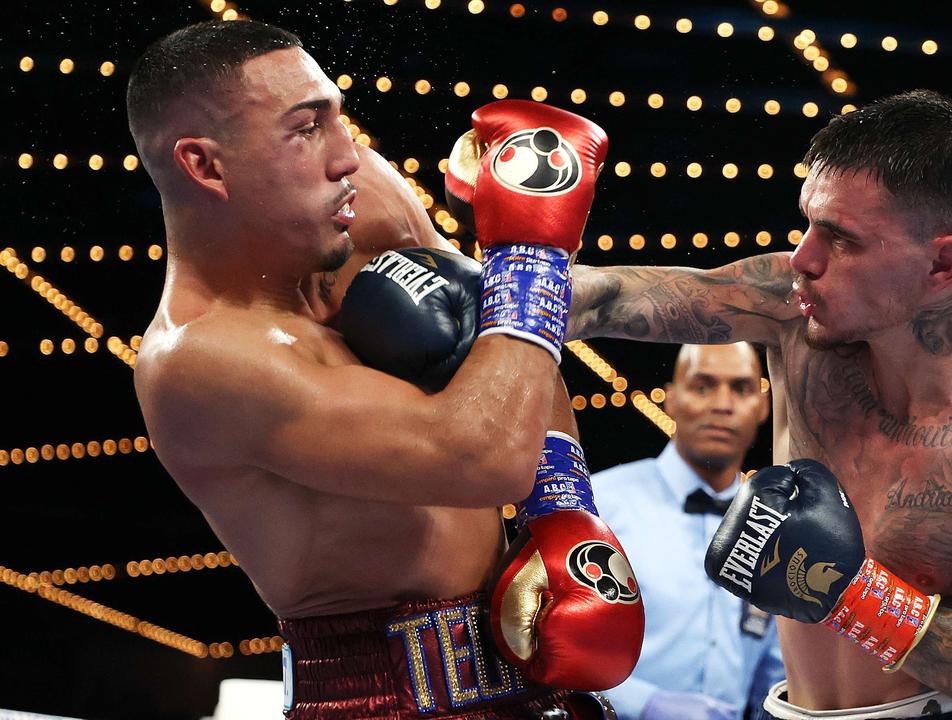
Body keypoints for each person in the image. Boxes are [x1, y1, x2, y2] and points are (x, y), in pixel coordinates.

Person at [127, 19, 640, 719]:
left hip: (540, 679)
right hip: (379, 700)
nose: (347, 154)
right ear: (205, 165)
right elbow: (480, 454)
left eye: (337, 116)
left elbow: (496, 345)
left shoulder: (356, 198)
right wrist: (533, 255)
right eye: (306, 128)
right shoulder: (200, 360)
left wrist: (560, 506)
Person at [567, 90, 952, 720]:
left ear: (942, 263)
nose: (804, 259)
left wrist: (845, 592)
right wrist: (509, 282)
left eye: (842, 240)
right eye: (808, 223)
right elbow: (610, 299)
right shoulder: (796, 309)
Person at [592, 344, 784, 719]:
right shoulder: (601, 505)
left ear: (762, 406)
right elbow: (548, 647)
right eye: (703, 386)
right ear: (672, 399)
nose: (722, 405)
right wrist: (642, 704)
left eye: (742, 388)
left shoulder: (774, 527)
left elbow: (776, 675)